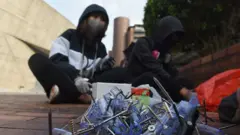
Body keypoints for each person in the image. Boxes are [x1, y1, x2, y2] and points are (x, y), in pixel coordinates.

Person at [42, 4, 114, 103]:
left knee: (121, 72)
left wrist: (102, 67)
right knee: (38, 60)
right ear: (85, 19)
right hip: (68, 80)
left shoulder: (101, 48)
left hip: (89, 86)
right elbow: (56, 59)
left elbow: (103, 76)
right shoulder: (69, 35)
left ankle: (67, 95)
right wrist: (76, 77)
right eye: (95, 17)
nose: (98, 21)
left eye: (102, 20)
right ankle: (77, 95)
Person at [127, 16, 193, 102]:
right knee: (151, 78)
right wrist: (181, 90)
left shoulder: (165, 52)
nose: (174, 41)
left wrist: (184, 87)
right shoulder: (143, 43)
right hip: (135, 86)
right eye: (172, 37)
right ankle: (143, 109)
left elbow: (172, 74)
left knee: (185, 82)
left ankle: (192, 106)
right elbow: (155, 68)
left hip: (157, 83)